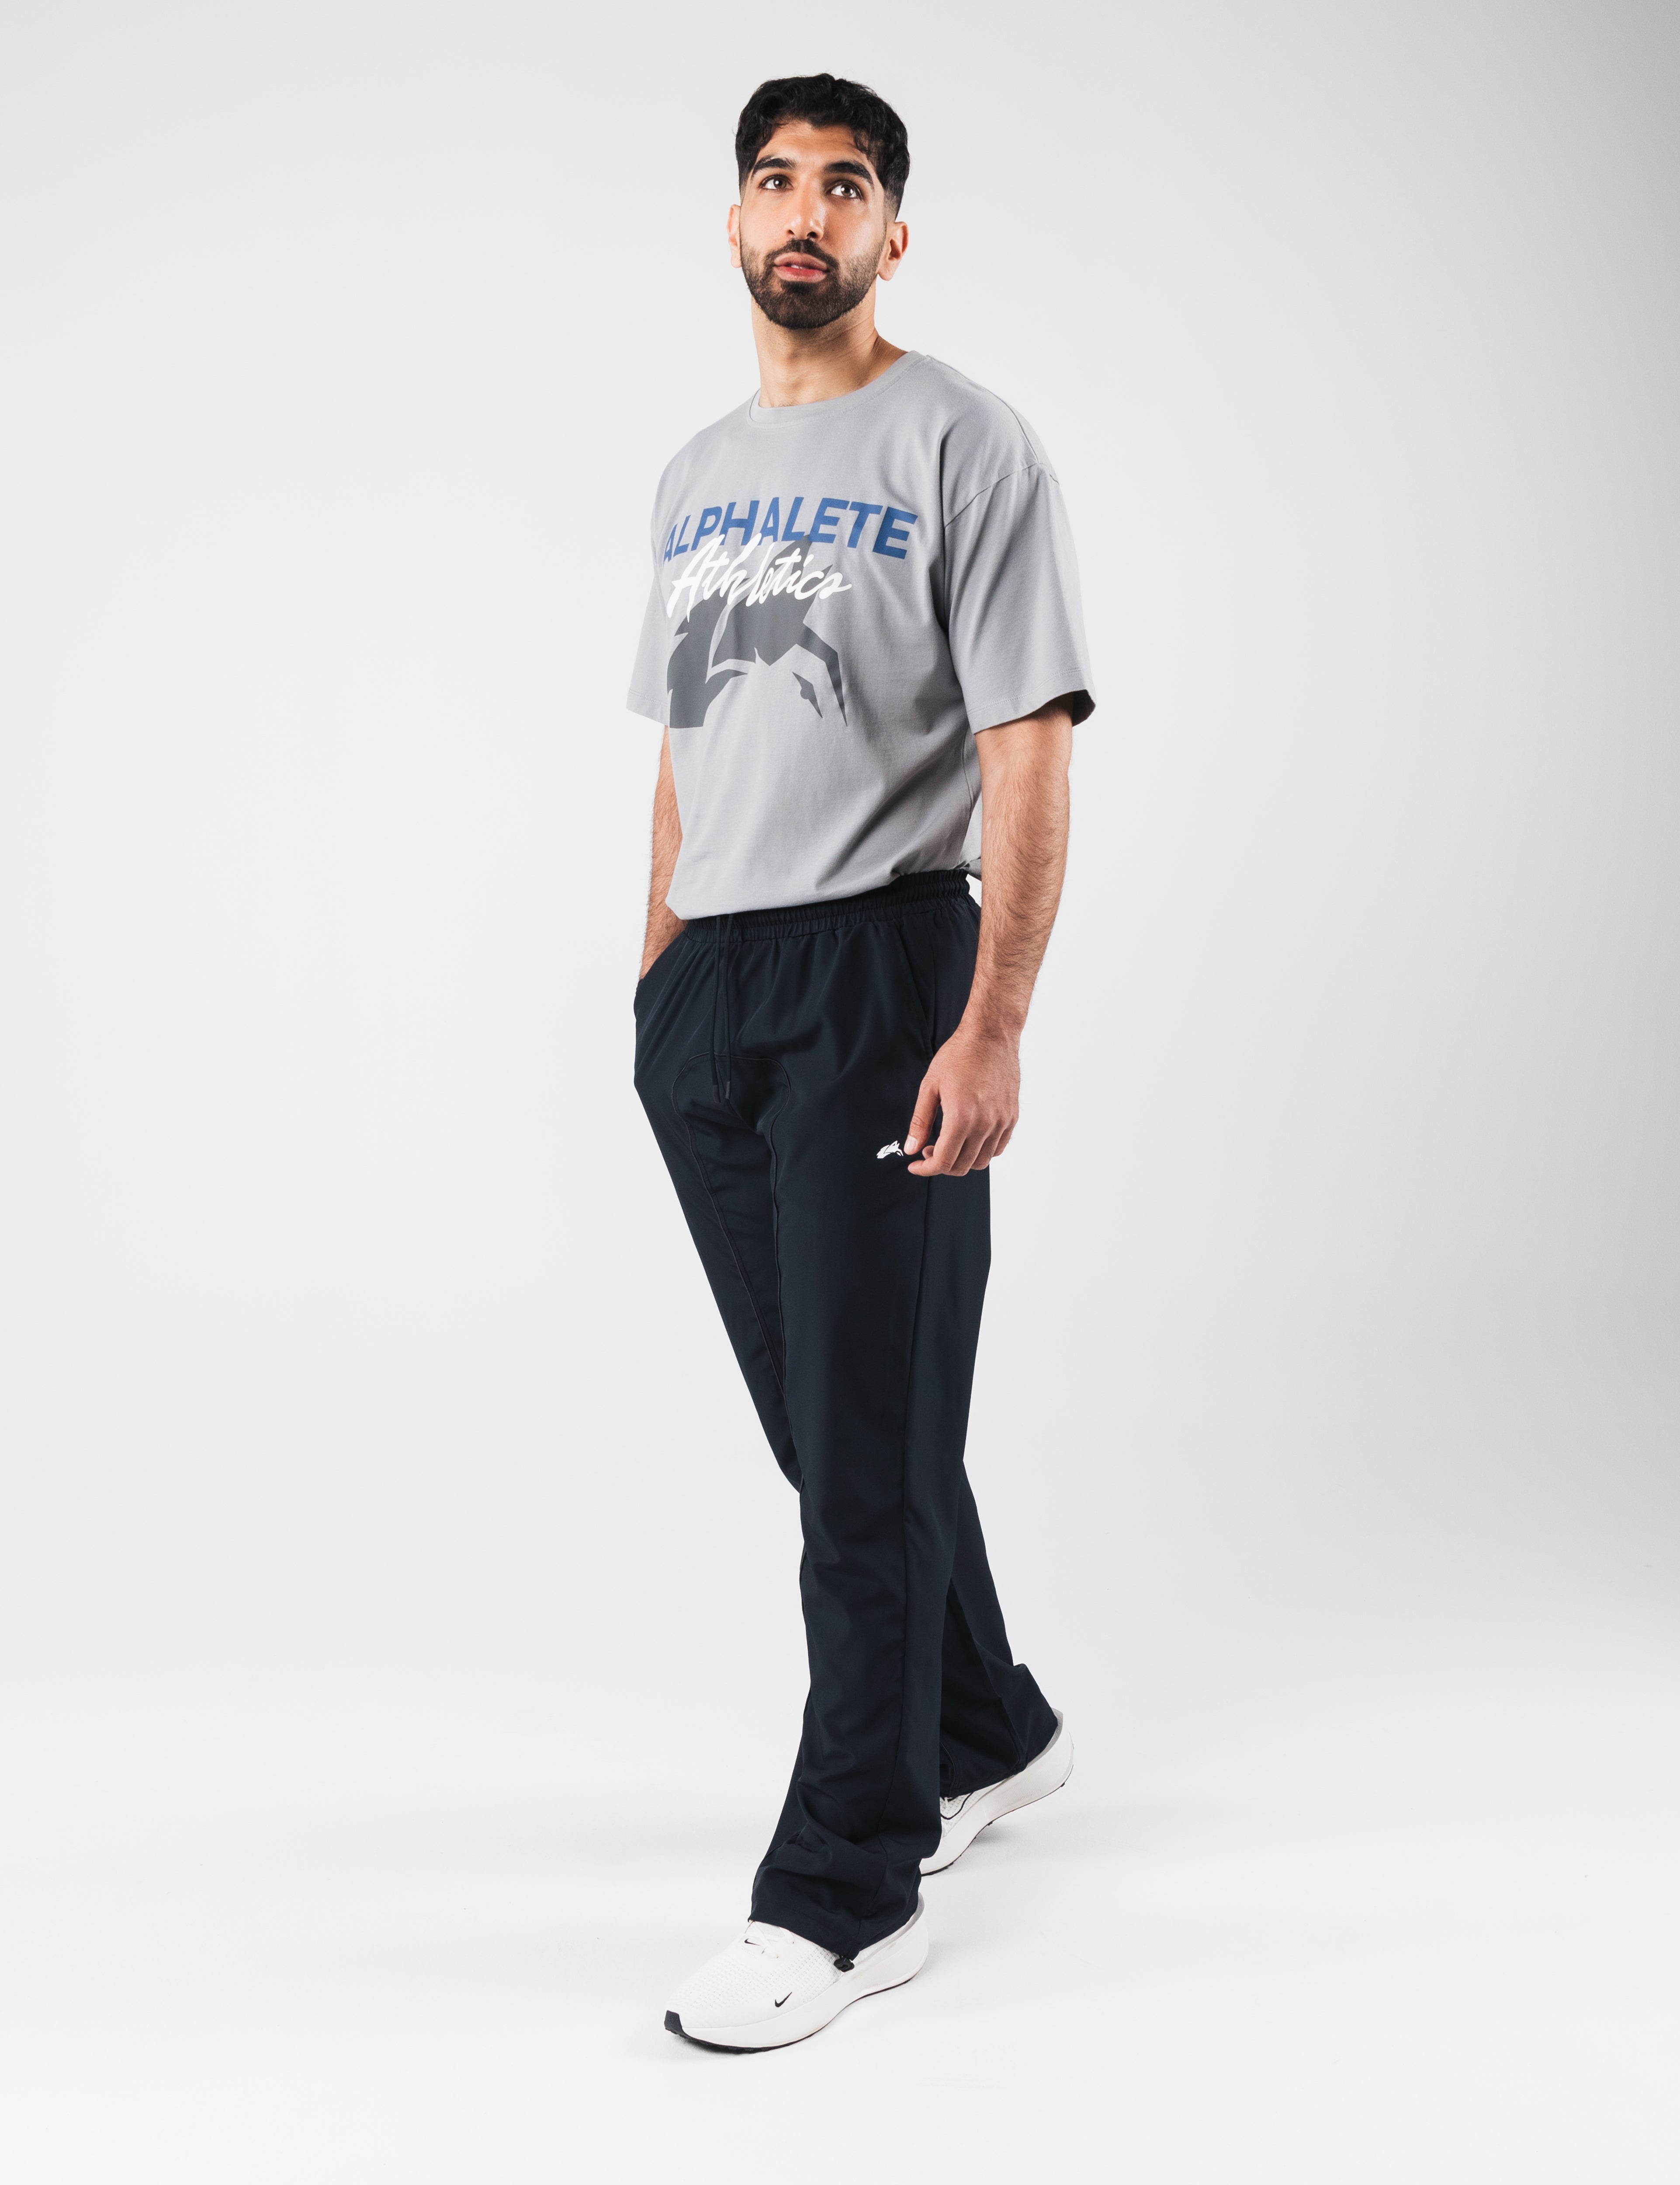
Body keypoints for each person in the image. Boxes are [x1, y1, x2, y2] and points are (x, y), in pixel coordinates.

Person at [627, 73, 1094, 2052]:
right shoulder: (693, 475)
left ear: (893, 233)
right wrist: (654, 982)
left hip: (881, 974)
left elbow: (1026, 749)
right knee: (843, 1434)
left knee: (863, 1459)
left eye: (843, 186)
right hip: (715, 993)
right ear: (734, 223)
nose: (803, 213)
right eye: (773, 180)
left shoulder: (966, 441)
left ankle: (847, 1882)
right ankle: (982, 1727)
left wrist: (990, 1022)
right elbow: (682, 744)